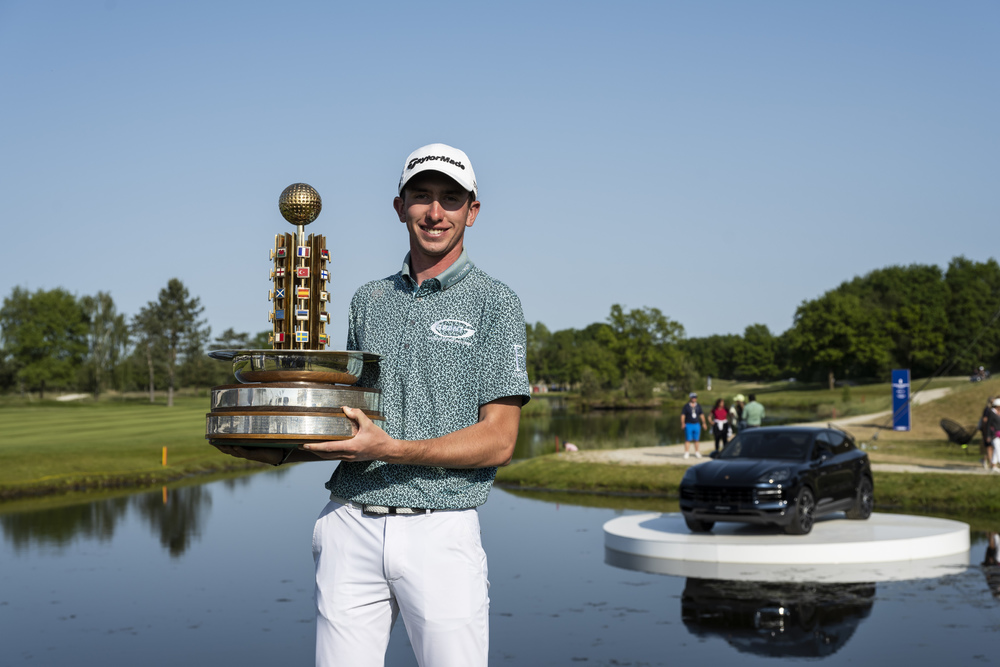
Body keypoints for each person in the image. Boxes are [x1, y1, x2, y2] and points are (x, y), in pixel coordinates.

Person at [216, 143, 530, 667]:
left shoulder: (495, 302)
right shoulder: (369, 300)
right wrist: (279, 445)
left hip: (440, 526)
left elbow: (499, 440)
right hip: (350, 522)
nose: (435, 212)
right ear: (399, 206)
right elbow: (354, 427)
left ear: (472, 211)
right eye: (421, 196)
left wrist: (392, 449)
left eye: (451, 199)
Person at [681, 392, 707, 459]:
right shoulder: (686, 406)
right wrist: (683, 423)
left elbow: (701, 414)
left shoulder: (698, 406)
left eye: (695, 397)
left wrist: (704, 423)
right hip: (688, 424)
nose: (694, 399)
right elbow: (683, 415)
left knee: (696, 439)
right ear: (690, 398)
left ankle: (697, 452)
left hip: (696, 424)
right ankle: (687, 452)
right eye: (693, 397)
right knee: (688, 439)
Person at [982, 396, 996, 470]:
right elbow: (985, 420)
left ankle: (985, 459)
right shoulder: (988, 410)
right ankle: (991, 463)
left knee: (994, 447)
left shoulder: (994, 410)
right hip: (988, 431)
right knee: (990, 447)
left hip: (994, 430)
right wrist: (986, 432)